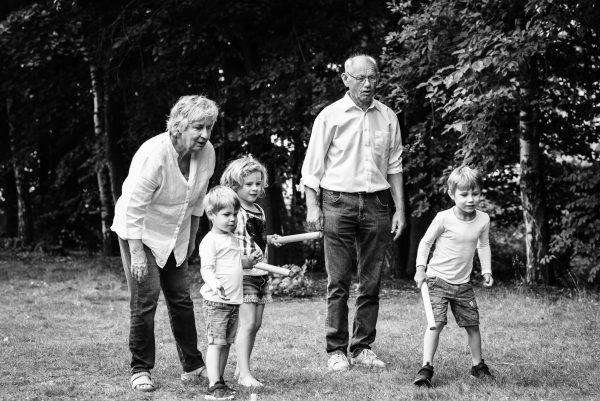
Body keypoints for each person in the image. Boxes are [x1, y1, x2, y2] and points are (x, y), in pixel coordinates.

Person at [301, 54, 406, 372]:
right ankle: (336, 350)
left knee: (371, 282)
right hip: (337, 203)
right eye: (361, 78)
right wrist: (311, 204)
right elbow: (312, 167)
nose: (368, 83)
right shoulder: (330, 116)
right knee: (339, 281)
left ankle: (362, 348)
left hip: (377, 205)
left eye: (373, 77)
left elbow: (394, 167)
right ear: (346, 80)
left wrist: (400, 209)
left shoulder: (388, 117)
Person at [111, 95, 218, 392]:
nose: (205, 135)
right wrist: (137, 254)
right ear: (178, 126)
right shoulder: (154, 154)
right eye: (198, 127)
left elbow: (199, 200)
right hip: (140, 232)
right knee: (146, 297)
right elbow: (133, 208)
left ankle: (193, 364)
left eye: (209, 127)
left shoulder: (206, 152)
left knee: (181, 298)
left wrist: (193, 236)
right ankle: (140, 368)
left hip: (177, 233)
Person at [412, 166, 494, 387]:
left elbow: (483, 245)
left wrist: (487, 270)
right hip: (436, 280)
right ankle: (426, 368)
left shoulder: (483, 219)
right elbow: (425, 242)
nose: (470, 199)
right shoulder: (443, 218)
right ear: (452, 194)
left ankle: (478, 366)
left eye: (475, 193)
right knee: (435, 324)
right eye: (464, 194)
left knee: (473, 325)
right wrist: (420, 269)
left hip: (463, 284)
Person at [219, 156, 283, 388]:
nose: (255, 188)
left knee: (255, 323)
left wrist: (268, 239)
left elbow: (252, 237)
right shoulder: (233, 210)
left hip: (261, 274)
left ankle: (241, 367)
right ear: (235, 184)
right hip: (243, 274)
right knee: (246, 323)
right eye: (249, 184)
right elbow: (226, 240)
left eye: (258, 183)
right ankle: (245, 374)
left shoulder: (258, 210)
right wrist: (239, 262)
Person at [199, 186, 258, 400]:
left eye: (235, 214)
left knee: (226, 343)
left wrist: (247, 262)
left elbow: (234, 263)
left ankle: (220, 380)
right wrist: (215, 284)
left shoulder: (232, 239)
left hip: (233, 301)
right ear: (211, 215)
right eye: (226, 215)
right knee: (216, 343)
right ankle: (214, 385)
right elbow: (207, 268)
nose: (232, 219)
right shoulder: (210, 241)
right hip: (216, 301)